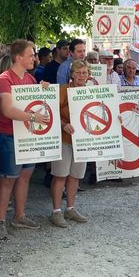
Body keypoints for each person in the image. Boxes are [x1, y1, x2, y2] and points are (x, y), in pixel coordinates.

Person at [0, 40, 50, 240]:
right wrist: (34, 118)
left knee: (25, 176)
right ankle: (0, 221)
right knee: (8, 178)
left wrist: (43, 90)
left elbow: (35, 102)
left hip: (27, 136)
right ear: (19, 57)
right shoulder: (4, 79)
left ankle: (19, 216)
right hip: (9, 135)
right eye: (31, 54)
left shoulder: (30, 79)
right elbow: (7, 110)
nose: (34, 58)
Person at [50, 60, 90, 228]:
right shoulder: (63, 90)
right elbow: (51, 110)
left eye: (85, 73)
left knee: (75, 176)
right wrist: (63, 124)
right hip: (64, 140)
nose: (82, 76)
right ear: (72, 74)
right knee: (60, 175)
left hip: (82, 141)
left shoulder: (90, 92)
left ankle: (70, 208)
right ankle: (56, 211)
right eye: (79, 72)